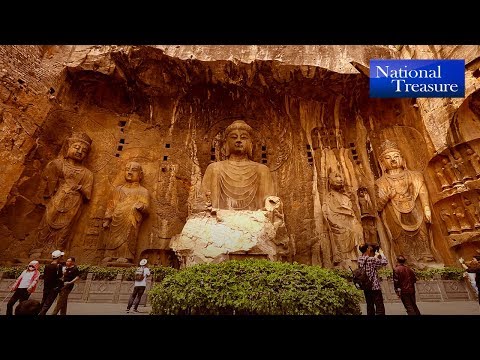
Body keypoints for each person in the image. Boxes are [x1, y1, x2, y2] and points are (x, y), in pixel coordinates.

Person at [375, 139, 439, 267]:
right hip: (394, 212)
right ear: (382, 163)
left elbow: (422, 192)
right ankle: (407, 260)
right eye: (388, 158)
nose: (393, 160)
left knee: (422, 233)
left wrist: (426, 208)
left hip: (416, 208)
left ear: (403, 159)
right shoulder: (380, 182)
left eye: (396, 156)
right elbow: (378, 206)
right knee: (400, 236)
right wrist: (387, 196)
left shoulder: (415, 175)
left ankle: (427, 257)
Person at [32, 132, 94, 257]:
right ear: (68, 148)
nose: (80, 151)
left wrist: (80, 188)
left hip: (74, 202)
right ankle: (37, 249)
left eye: (84, 150)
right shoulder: (57, 164)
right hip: (57, 199)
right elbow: (46, 186)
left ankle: (58, 251)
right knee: (47, 222)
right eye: (76, 147)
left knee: (66, 228)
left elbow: (88, 195)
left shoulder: (87, 174)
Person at [199, 120, 275, 211]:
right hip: (219, 221)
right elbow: (203, 203)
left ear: (250, 143)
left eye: (243, 137)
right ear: (226, 143)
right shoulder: (215, 168)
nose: (238, 140)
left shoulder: (262, 170)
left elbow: (270, 206)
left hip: (254, 221)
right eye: (234, 137)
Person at [103, 161, 150, 263]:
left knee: (129, 235)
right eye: (127, 169)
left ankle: (126, 255)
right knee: (112, 236)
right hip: (116, 218)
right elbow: (111, 205)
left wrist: (141, 207)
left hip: (131, 219)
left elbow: (146, 208)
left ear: (140, 175)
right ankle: (109, 254)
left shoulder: (143, 191)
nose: (129, 172)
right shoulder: (118, 189)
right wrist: (107, 219)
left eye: (133, 170)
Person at [322, 170, 363, 269]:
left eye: (341, 177)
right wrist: (336, 223)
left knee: (356, 232)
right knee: (345, 235)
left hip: (349, 222)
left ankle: (356, 259)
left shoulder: (346, 197)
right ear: (330, 181)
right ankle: (343, 261)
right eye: (336, 177)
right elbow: (327, 212)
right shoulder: (328, 197)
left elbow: (351, 212)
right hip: (338, 225)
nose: (339, 179)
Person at [358, 243, 388, 316]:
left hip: (366, 286)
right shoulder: (371, 259)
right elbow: (384, 262)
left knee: (369, 305)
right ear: (367, 249)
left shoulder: (359, 259)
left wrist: (375, 256)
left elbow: (369, 264)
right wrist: (382, 254)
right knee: (379, 305)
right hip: (374, 286)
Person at [38, 250, 65, 315]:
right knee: (47, 304)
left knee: (43, 302)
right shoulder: (59, 266)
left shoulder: (47, 266)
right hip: (54, 288)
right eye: (61, 256)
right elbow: (60, 276)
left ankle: (38, 312)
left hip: (46, 287)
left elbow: (45, 276)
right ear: (58, 257)